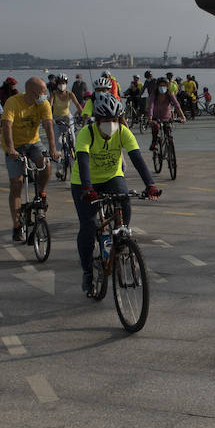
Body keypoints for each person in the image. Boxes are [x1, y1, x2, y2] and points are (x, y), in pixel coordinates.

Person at [69, 91, 161, 296]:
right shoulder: (87, 132)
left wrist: (150, 184)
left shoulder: (122, 132)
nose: (110, 123)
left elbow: (137, 159)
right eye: (105, 120)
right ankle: (87, 271)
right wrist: (87, 188)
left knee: (125, 202)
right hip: (85, 182)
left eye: (114, 119)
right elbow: (83, 162)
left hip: (112, 177)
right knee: (88, 226)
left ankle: (121, 243)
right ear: (97, 119)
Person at [1, 77, 59, 242]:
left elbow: (48, 126)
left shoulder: (44, 104)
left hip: (33, 142)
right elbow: (7, 126)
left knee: (45, 163)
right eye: (42, 92)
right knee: (16, 183)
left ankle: (41, 192)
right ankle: (17, 225)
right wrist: (11, 148)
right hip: (15, 145)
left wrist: (53, 149)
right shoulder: (13, 102)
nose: (45, 95)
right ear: (33, 92)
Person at [148, 70, 187, 150]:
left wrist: (182, 117)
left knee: (168, 132)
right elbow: (151, 106)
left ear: (167, 86)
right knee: (156, 128)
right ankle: (154, 143)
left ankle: (171, 155)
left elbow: (177, 105)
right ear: (157, 86)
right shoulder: (153, 95)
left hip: (167, 117)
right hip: (156, 117)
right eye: (161, 86)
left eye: (164, 86)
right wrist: (150, 118)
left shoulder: (169, 94)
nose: (162, 87)